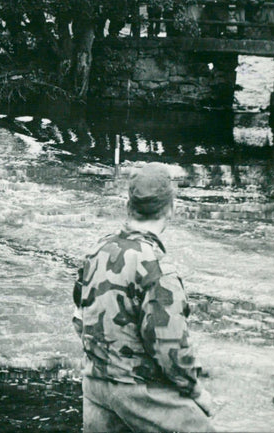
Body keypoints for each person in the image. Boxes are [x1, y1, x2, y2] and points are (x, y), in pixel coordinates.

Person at [73, 162, 214, 433]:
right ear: (171, 209)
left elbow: (79, 319)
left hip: (94, 385)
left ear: (128, 207)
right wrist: (196, 392)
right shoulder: (157, 268)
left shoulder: (96, 250)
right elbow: (169, 348)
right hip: (138, 390)